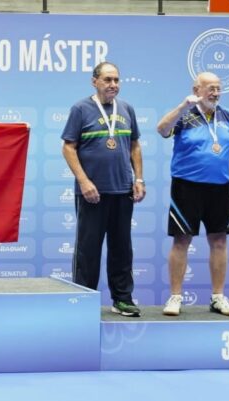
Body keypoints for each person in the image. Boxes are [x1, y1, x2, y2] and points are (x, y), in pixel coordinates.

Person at [61, 61, 145, 317]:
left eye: (117, 80)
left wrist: (139, 179)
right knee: (88, 249)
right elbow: (68, 147)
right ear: (94, 81)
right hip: (92, 193)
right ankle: (83, 299)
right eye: (108, 80)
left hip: (122, 190)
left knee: (122, 248)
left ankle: (122, 299)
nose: (113, 85)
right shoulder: (80, 109)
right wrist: (84, 182)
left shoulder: (127, 108)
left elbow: (134, 146)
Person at [157, 72, 229, 317]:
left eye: (218, 88)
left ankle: (218, 297)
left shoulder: (228, 117)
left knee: (219, 241)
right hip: (187, 188)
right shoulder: (185, 114)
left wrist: (227, 176)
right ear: (197, 89)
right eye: (210, 88)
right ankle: (175, 298)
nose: (215, 93)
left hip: (219, 189)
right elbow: (162, 129)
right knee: (181, 240)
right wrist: (183, 106)